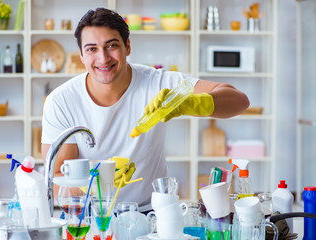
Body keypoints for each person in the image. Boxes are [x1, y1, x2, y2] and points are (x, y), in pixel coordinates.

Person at [41, 7, 249, 213]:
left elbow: (240, 101)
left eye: (111, 45)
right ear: (81, 55)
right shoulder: (61, 101)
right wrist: (96, 182)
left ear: (127, 47)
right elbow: (57, 178)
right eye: (92, 49)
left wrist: (189, 103)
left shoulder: (158, 83)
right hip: (89, 216)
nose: (103, 58)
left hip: (150, 214)